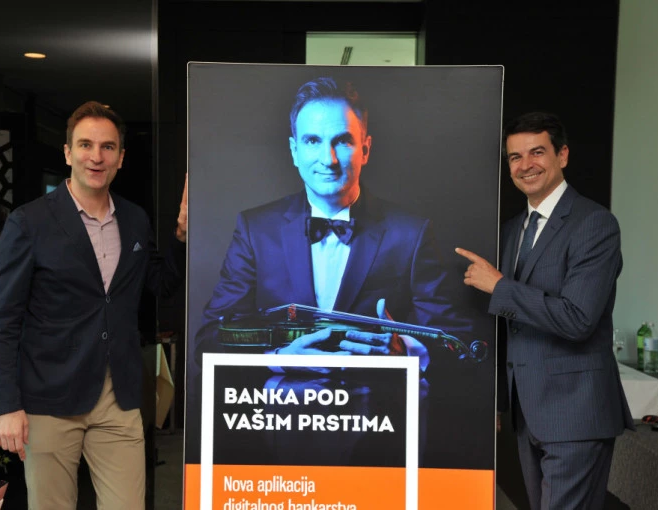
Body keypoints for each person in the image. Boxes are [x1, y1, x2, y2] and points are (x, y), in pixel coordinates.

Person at [191, 77, 479, 466]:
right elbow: (210, 339)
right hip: (279, 439)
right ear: (294, 150)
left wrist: (407, 352)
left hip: (379, 442)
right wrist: (279, 357)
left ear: (365, 149)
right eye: (312, 141)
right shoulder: (255, 228)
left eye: (342, 141)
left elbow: (455, 343)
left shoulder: (410, 232)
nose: (327, 159)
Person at [0, 101, 188, 509]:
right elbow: (1, 318)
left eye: (108, 147)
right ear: (68, 153)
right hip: (49, 399)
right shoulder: (29, 222)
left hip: (118, 397)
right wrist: (6, 405)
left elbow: (160, 283)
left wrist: (181, 237)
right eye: (85, 145)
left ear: (121, 158)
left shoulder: (134, 219)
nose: (96, 156)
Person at [456, 111, 633, 510]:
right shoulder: (512, 229)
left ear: (562, 155)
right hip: (527, 416)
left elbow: (577, 319)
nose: (525, 165)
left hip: (576, 414)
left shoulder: (595, 224)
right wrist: (499, 400)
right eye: (515, 157)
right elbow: (511, 328)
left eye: (537, 152)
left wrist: (499, 287)